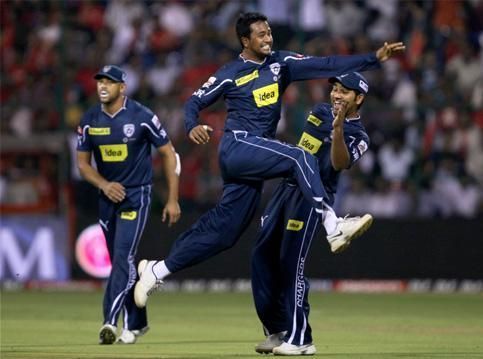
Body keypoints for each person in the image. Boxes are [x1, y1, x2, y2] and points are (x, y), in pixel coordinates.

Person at [134, 12, 404, 309]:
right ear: (245, 40)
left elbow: (326, 64)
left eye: (269, 32)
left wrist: (373, 58)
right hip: (237, 146)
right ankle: (332, 225)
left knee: (225, 232)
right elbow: (194, 102)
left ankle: (156, 270)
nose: (268, 38)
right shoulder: (230, 72)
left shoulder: (282, 63)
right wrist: (191, 125)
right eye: (260, 35)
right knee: (300, 155)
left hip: (255, 156)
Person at [252, 72, 373, 355]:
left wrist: (340, 128)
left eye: (344, 92)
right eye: (335, 90)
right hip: (286, 189)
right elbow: (305, 150)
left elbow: (339, 163)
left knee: (291, 263)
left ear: (359, 99)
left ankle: (301, 339)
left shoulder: (360, 136)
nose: (336, 95)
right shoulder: (318, 111)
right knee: (261, 256)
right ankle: (277, 330)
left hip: (313, 197)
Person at [76, 65, 181, 345]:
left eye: (109, 82)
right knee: (122, 264)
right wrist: (104, 185)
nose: (102, 86)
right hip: (106, 198)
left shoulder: (142, 116)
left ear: (122, 88)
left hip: (137, 196)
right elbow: (82, 164)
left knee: (123, 258)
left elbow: (169, 154)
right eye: (100, 81)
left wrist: (172, 198)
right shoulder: (89, 120)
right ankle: (138, 322)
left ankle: (110, 322)